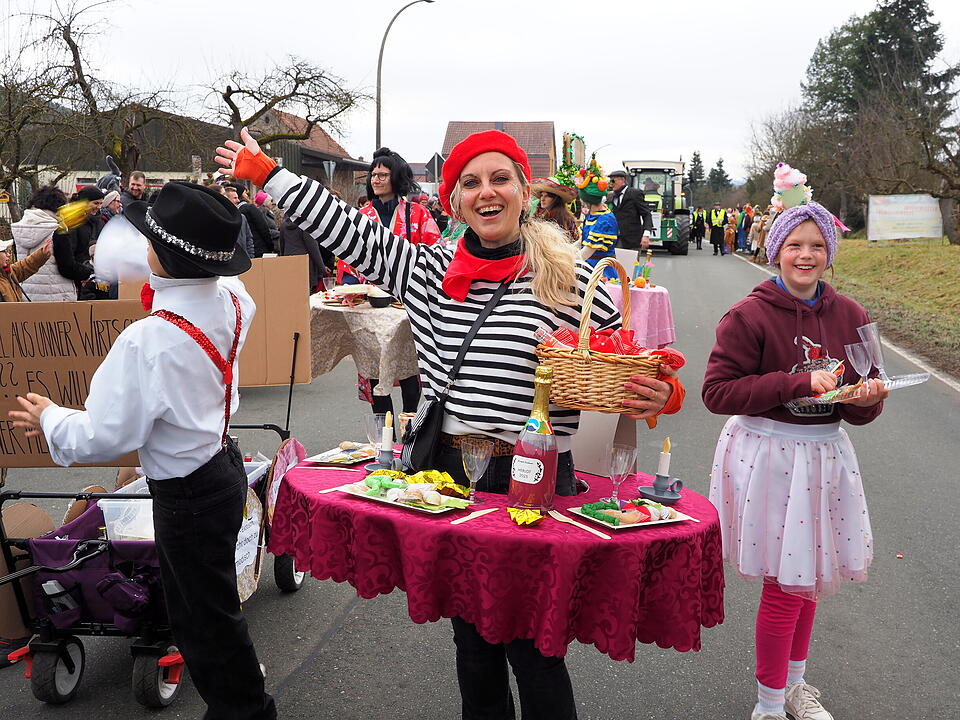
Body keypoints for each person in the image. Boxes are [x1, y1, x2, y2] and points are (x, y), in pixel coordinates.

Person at [216, 127, 684, 720]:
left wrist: (660, 392)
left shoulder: (573, 284)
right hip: (453, 475)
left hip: (537, 479)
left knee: (536, 645)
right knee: (474, 641)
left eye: (499, 179)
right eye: (470, 183)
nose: (485, 193)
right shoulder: (428, 271)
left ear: (524, 191)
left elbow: (626, 365)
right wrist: (269, 173)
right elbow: (346, 228)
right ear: (454, 199)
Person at [10, 181, 276, 720]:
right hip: (223, 467)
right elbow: (219, 283)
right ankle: (239, 700)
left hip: (188, 495)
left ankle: (245, 710)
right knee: (211, 606)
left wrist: (50, 417)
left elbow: (107, 435)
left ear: (166, 254)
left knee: (205, 622)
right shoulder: (231, 299)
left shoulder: (146, 341)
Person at [702, 172, 886, 720]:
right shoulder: (749, 315)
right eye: (793, 245)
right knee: (785, 586)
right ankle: (769, 704)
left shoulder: (850, 315)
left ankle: (793, 688)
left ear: (829, 253)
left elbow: (864, 406)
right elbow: (717, 392)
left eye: (815, 246)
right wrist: (797, 382)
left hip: (824, 457)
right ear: (774, 249)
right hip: (769, 457)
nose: (804, 256)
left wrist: (866, 396)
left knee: (806, 584)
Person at [350, 147, 441, 416]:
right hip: (371, 307)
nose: (376, 179)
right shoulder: (361, 216)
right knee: (377, 375)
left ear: (396, 178)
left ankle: (410, 431)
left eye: (383, 174)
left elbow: (435, 250)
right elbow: (348, 260)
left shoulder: (418, 214)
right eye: (373, 174)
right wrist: (349, 289)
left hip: (408, 306)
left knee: (411, 374)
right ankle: (382, 438)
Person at [11, 185, 78, 302]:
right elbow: (67, 267)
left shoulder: (19, 229)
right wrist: (88, 272)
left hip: (27, 295)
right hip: (57, 297)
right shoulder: (58, 230)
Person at [577, 156, 619, 280]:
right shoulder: (591, 215)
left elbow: (585, 253)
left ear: (586, 200)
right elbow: (580, 242)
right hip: (588, 268)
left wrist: (563, 262)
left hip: (600, 273)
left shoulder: (605, 220)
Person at [279, 211, 331, 293]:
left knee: (293, 292)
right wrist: (322, 268)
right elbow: (313, 248)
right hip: (305, 264)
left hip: (289, 263)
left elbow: (282, 245)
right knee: (307, 293)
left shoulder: (283, 225)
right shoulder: (305, 225)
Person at [606, 169, 654, 250]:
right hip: (613, 240)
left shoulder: (634, 193)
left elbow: (646, 214)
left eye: (613, 181)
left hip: (632, 241)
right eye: (610, 181)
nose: (611, 184)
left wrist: (646, 235)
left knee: (630, 262)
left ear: (622, 180)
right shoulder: (611, 196)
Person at [0, 235, 52, 301]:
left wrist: (42, 254)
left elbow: (23, 267)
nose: (8, 254)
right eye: (4, 251)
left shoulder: (6, 272)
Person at [531, 177, 579, 241]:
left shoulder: (566, 219)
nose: (542, 199)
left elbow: (574, 240)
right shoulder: (536, 216)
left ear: (555, 199)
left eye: (547, 196)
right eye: (542, 195)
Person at [232, 184, 274, 257]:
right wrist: (270, 246)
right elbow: (263, 227)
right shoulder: (249, 208)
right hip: (259, 248)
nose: (247, 195)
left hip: (246, 250)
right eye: (245, 193)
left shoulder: (236, 212)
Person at [222, 184, 257, 258]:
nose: (238, 200)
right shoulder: (222, 219)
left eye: (237, 197)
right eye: (235, 198)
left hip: (245, 260)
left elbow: (249, 239)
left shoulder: (242, 218)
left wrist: (250, 257)